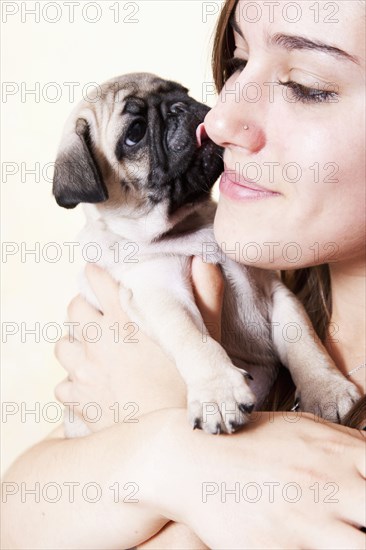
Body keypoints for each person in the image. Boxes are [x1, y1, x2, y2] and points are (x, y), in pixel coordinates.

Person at [2, 0, 365, 548]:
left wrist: (181, 444)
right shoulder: (163, 293)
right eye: (238, 61)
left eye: (306, 84)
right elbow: (18, 513)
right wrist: (167, 448)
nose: (215, 118)